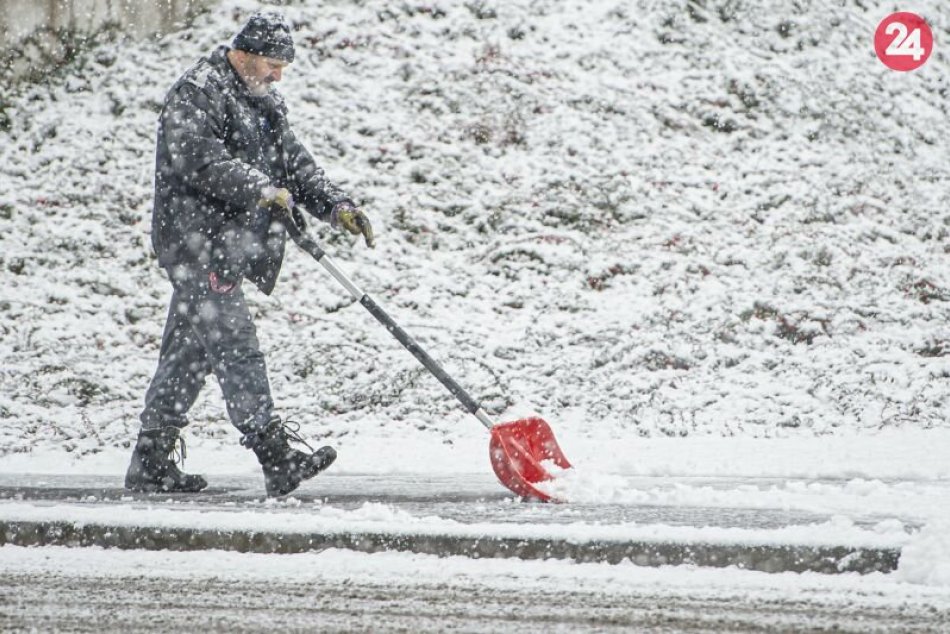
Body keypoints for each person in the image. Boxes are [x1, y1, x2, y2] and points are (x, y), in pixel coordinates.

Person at [125, 11, 375, 497]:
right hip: (196, 244)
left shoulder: (263, 102)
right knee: (235, 344)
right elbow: (197, 157)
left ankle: (151, 460)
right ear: (243, 54)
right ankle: (274, 454)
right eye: (272, 64)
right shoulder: (198, 91)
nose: (278, 75)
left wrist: (336, 205)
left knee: (189, 352)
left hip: (226, 247)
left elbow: (294, 163)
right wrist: (261, 188)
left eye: (283, 67)